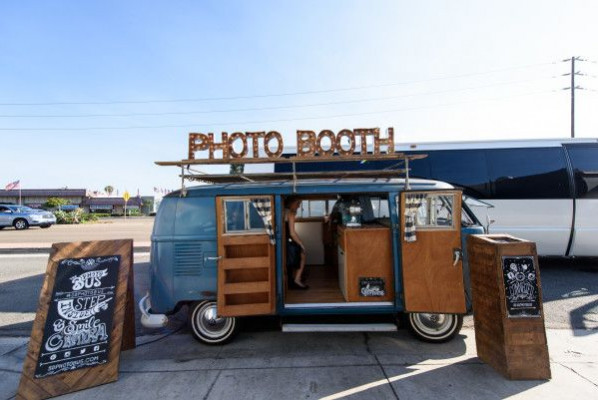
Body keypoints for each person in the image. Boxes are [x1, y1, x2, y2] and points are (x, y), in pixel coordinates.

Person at [285, 197, 308, 289]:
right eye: (298, 204)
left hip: (284, 241)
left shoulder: (283, 210)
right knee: (303, 253)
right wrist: (302, 244)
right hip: (288, 240)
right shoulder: (291, 213)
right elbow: (292, 233)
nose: (298, 206)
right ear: (291, 203)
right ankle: (297, 279)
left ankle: (294, 277)